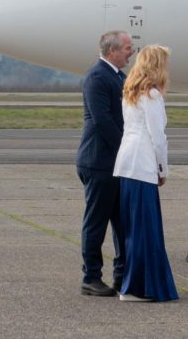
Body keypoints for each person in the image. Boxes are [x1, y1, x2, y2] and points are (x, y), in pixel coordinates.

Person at [113, 44, 179, 302]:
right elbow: (157, 137)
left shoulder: (130, 93)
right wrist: (163, 168)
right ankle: (139, 287)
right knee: (145, 229)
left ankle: (134, 284)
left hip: (126, 163)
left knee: (133, 228)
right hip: (142, 165)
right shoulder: (151, 95)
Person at [76, 30, 133, 297]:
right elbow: (103, 121)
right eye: (127, 48)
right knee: (96, 222)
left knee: (121, 222)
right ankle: (91, 276)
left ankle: (121, 275)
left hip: (115, 162)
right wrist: (127, 149)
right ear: (112, 51)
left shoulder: (117, 76)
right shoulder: (98, 77)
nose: (130, 52)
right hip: (100, 161)